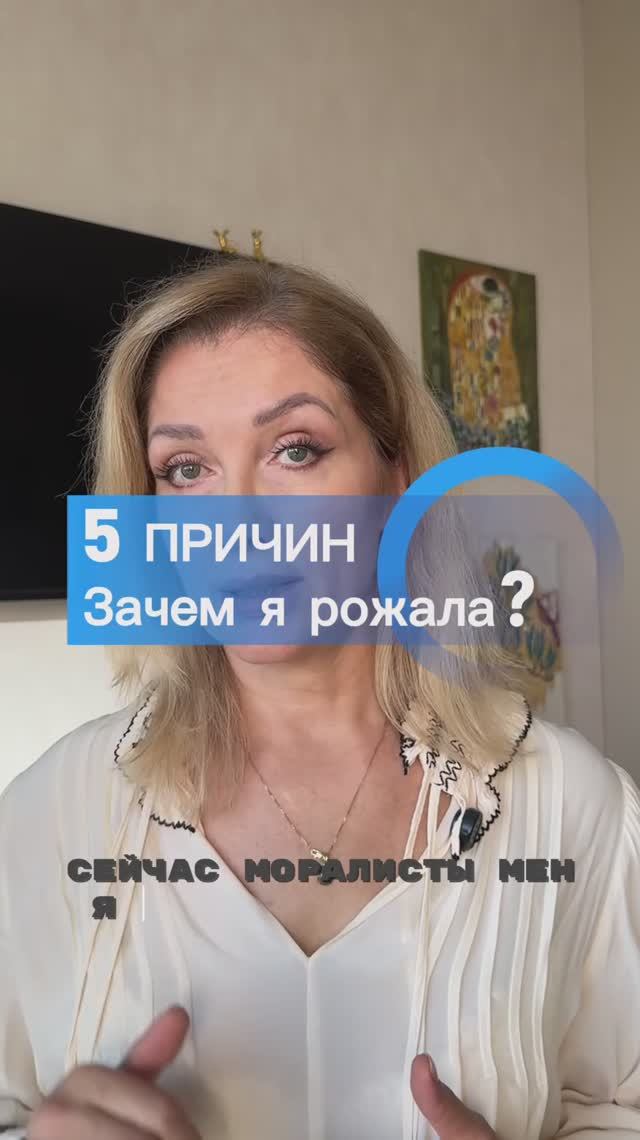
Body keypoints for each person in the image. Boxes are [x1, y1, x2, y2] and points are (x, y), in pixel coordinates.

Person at [1, 257, 639, 1140]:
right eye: (185, 469)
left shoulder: (575, 806)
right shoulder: (50, 816)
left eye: (294, 449)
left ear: (398, 479)